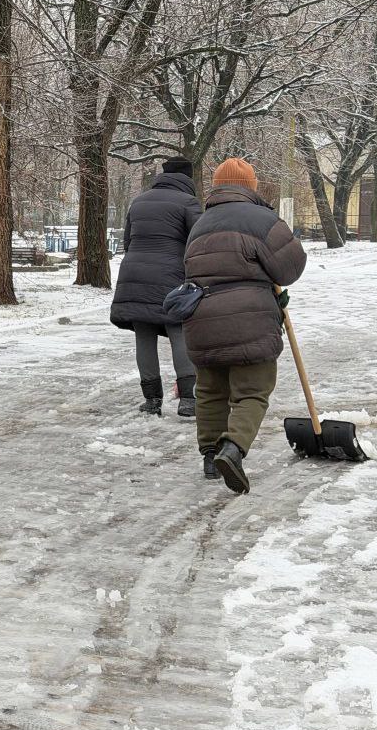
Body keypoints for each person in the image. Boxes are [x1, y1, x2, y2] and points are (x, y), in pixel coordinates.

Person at [183, 158, 307, 493]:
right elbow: (290, 270)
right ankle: (232, 449)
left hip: (201, 318)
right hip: (250, 319)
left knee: (210, 390)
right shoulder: (263, 219)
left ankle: (210, 457)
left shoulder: (200, 223)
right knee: (252, 391)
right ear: (250, 186)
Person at [109, 156, 202, 416]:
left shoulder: (138, 201)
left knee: (144, 334)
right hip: (171, 274)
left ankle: (152, 400)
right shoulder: (189, 202)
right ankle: (188, 399)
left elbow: (128, 241)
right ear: (188, 178)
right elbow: (198, 242)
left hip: (134, 272)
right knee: (178, 331)